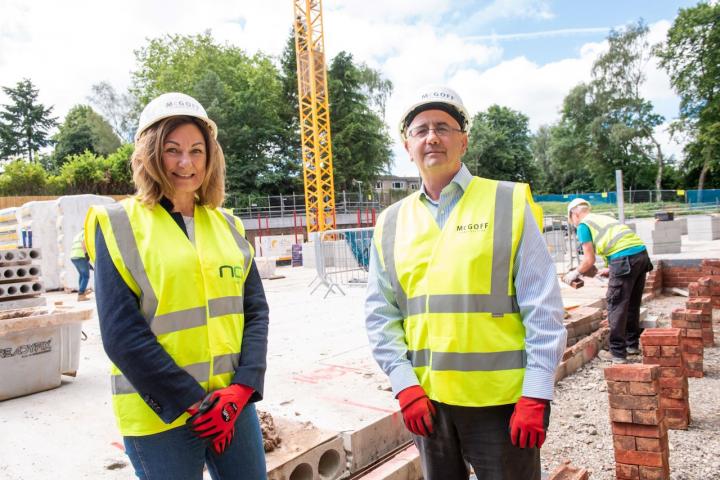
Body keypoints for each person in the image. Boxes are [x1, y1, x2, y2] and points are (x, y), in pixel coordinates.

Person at [364, 85, 567, 480]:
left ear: (464, 141)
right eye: (420, 130)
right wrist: (404, 385)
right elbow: (380, 314)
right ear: (408, 146)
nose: (432, 137)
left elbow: (542, 305)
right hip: (428, 404)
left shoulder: (506, 202)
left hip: (502, 405)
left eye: (443, 126)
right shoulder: (390, 222)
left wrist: (537, 392)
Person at [85, 92, 269, 479]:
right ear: (151, 154)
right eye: (173, 150)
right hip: (161, 417)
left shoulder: (229, 226)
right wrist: (194, 404)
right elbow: (122, 335)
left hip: (231, 407)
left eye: (197, 151)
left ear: (210, 157)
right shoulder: (118, 224)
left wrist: (240, 392)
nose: (186, 163)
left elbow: (255, 312)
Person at [564, 198, 652, 364]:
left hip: (625, 259)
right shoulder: (603, 218)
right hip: (641, 256)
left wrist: (573, 273)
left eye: (572, 220)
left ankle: (618, 353)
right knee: (632, 303)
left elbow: (588, 261)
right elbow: (620, 244)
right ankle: (632, 345)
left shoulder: (584, 225)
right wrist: (612, 268)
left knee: (616, 305)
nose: (574, 223)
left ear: (574, 214)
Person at [70, 230, 92, 301]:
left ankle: (81, 291)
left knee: (82, 275)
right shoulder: (85, 233)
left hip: (73, 257)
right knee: (86, 276)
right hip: (80, 256)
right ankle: (81, 295)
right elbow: (84, 243)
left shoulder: (78, 235)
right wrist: (86, 254)